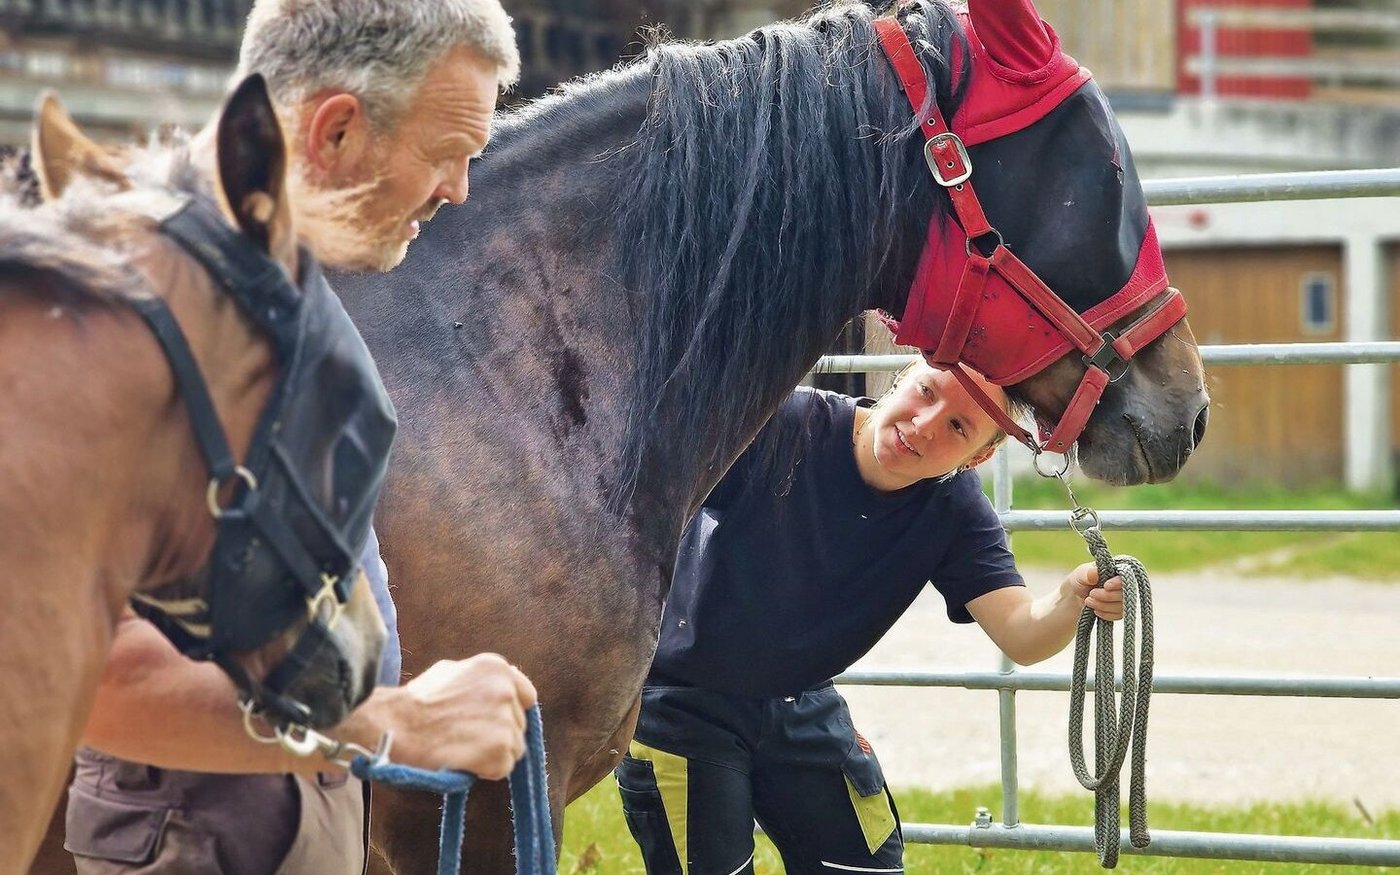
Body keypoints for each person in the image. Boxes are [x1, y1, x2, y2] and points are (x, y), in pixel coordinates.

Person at [57, 3, 531, 874]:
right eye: (446, 153)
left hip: (291, 799)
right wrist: (398, 722)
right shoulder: (139, 295)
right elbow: (90, 674)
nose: (458, 189)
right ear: (338, 129)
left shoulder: (263, 274)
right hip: (197, 831)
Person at [614, 362, 1125, 875]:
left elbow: (1022, 635)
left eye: (958, 428)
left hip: (803, 700)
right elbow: (635, 482)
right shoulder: (783, 422)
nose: (924, 424)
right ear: (901, 378)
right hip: (684, 701)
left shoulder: (953, 506)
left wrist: (1072, 597)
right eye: (926, 391)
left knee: (869, 864)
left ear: (980, 456)